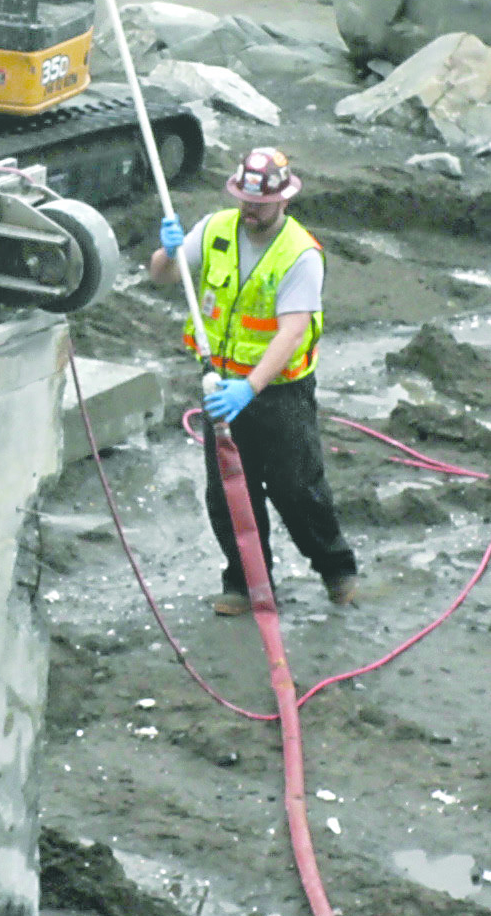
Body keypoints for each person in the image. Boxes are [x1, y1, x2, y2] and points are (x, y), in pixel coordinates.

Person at [145, 146, 359, 616]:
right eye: (244, 198)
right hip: (220, 385)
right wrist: (168, 251)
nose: (249, 208)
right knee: (226, 493)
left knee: (296, 488)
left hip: (279, 392)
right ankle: (244, 584)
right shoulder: (217, 228)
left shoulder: (299, 254)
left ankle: (337, 572)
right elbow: (163, 277)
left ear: (284, 200)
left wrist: (251, 388)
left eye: (259, 203)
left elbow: (293, 331)